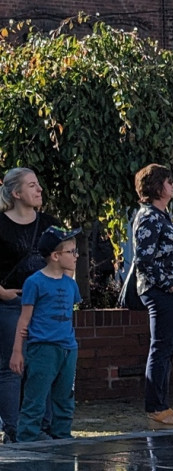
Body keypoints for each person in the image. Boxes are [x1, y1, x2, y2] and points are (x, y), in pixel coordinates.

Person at [132, 164, 173, 428]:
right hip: (161, 292)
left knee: (166, 348)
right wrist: (169, 285)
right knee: (161, 347)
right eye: (169, 182)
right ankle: (156, 405)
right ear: (157, 186)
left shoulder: (163, 216)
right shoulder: (149, 217)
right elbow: (143, 259)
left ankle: (161, 403)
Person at [0, 167, 58, 442]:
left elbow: (65, 257)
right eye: (32, 186)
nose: (39, 190)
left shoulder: (48, 223)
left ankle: (41, 425)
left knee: (41, 364)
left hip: (42, 304)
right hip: (11, 303)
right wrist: (1, 292)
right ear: (16, 193)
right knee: (12, 366)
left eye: (38, 184)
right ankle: (12, 428)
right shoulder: (1, 224)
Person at [9, 226, 81, 441]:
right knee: (36, 397)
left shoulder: (70, 285)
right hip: (43, 349)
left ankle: (62, 436)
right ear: (55, 256)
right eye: (71, 252)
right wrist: (17, 351)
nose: (76, 256)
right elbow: (24, 319)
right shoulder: (34, 282)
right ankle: (27, 438)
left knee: (65, 397)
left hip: (68, 349)